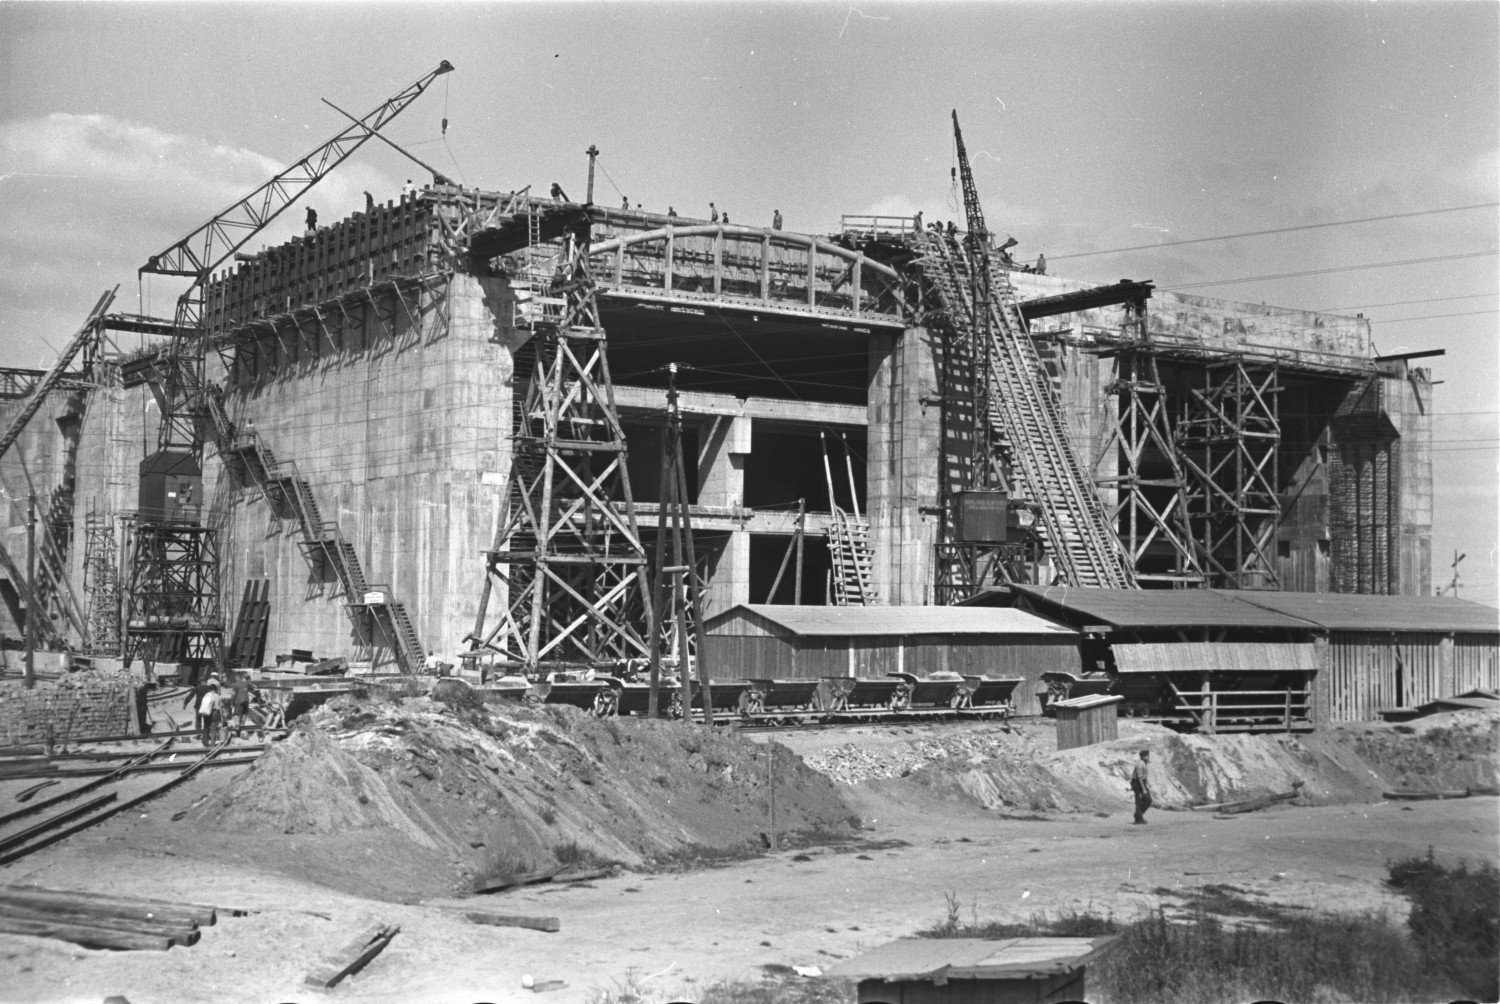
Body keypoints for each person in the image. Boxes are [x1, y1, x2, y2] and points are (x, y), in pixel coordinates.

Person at [1130, 749, 1153, 824]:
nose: (1148, 757)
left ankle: (1138, 815)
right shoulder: (1140, 764)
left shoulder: (1143, 763)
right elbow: (1139, 778)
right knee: (1140, 801)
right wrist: (1143, 789)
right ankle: (1138, 818)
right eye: (1147, 756)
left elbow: (1143, 777)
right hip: (1137, 784)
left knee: (1147, 800)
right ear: (1143, 757)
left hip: (1141, 783)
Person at [199, 678, 222, 744]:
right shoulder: (217, 696)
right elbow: (219, 707)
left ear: (210, 689)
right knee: (213, 729)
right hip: (214, 712)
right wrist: (220, 718)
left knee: (206, 727)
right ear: (215, 689)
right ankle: (212, 743)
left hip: (206, 712)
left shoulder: (206, 695)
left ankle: (205, 742)